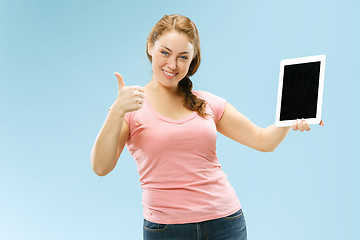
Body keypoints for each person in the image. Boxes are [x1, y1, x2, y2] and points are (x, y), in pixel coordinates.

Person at [90, 14, 324, 240]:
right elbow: (100, 167)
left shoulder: (207, 102)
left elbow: (262, 140)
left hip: (226, 223)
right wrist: (117, 111)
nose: (172, 64)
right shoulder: (130, 106)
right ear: (150, 46)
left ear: (192, 59)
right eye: (165, 52)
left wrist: (287, 121)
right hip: (166, 230)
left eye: (183, 57)